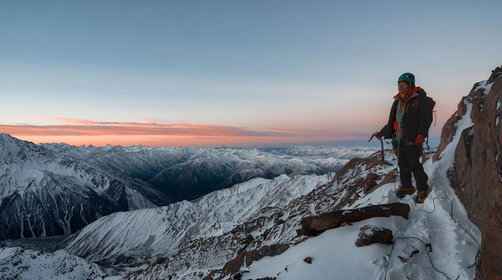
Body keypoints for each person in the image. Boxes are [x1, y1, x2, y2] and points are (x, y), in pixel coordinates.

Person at [371, 72, 430, 203]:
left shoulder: (420, 100)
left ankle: (423, 189)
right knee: (403, 164)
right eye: (399, 85)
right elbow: (393, 122)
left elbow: (426, 120)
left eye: (403, 85)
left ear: (410, 85)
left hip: (413, 138)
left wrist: (421, 135)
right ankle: (407, 187)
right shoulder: (397, 101)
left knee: (415, 165)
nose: (400, 88)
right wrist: (381, 132)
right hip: (399, 139)